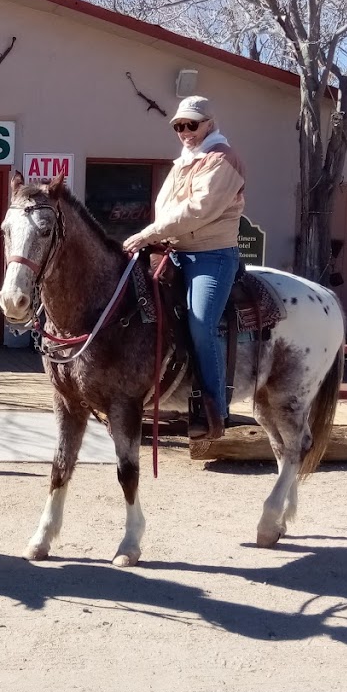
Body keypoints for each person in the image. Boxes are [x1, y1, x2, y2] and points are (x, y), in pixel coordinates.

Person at [122, 95, 245, 441]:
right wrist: (155, 238)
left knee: (202, 324)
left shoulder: (223, 159)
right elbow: (166, 209)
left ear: (209, 123)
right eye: (179, 126)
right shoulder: (184, 163)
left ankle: (213, 409)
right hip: (175, 252)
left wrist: (147, 234)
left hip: (212, 255)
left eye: (192, 124)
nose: (185, 131)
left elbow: (197, 210)